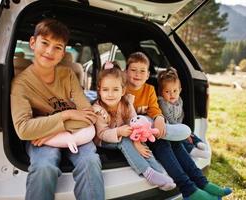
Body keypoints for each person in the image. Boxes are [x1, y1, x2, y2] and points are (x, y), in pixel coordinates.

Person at [10, 18, 104, 200]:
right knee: (44, 166)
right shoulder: (20, 84)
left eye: (57, 47)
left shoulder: (68, 74)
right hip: (43, 139)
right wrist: (68, 114)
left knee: (91, 161)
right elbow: (23, 129)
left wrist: (49, 128)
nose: (49, 51)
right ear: (32, 43)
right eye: (44, 43)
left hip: (58, 133)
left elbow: (89, 115)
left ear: (63, 54)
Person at [125, 52, 232, 200]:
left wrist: (159, 118)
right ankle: (189, 189)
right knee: (164, 143)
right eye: (133, 70)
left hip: (154, 130)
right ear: (125, 72)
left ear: (148, 74)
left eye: (142, 71)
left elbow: (155, 109)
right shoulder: (122, 89)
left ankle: (202, 183)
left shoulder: (149, 89)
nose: (138, 74)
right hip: (137, 136)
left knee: (175, 143)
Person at [93, 61, 176, 190]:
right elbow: (102, 133)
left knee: (142, 143)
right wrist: (119, 132)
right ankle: (148, 172)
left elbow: (134, 122)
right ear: (99, 90)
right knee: (125, 140)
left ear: (122, 91)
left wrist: (137, 142)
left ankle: (159, 172)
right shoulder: (98, 110)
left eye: (115, 89)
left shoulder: (126, 103)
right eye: (105, 90)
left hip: (128, 133)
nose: (110, 94)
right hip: (104, 140)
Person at [157, 67, 209, 159]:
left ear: (180, 90)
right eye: (167, 91)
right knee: (180, 137)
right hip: (168, 127)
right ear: (161, 93)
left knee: (188, 129)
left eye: (175, 91)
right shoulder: (162, 102)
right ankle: (192, 150)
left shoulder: (179, 100)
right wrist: (180, 129)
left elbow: (181, 114)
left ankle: (197, 142)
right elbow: (169, 118)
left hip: (177, 124)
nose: (172, 94)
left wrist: (182, 127)